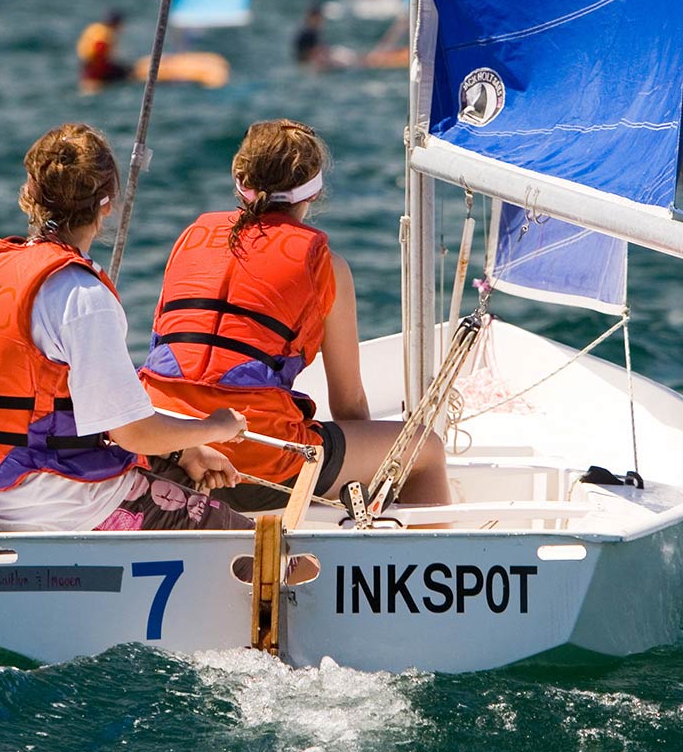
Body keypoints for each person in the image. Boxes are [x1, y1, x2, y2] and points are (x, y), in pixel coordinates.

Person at [0, 123, 251, 533]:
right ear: (107, 205)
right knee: (260, 546)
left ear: (30, 196)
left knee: (184, 473)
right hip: (63, 501)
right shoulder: (82, 296)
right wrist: (217, 427)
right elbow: (134, 432)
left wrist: (183, 451)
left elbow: (65, 410)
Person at [140, 119, 451, 512]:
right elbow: (349, 402)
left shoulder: (190, 239)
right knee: (425, 449)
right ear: (315, 190)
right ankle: (421, 564)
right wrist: (373, 469)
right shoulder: (327, 266)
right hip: (257, 460)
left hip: (162, 444)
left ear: (240, 180)